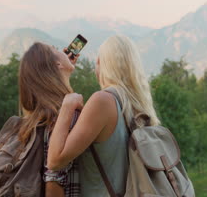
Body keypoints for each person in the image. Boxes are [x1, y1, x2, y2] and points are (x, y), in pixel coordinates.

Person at [47, 34, 161, 197]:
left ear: (102, 63)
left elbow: (55, 161)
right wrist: (64, 73)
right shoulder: (137, 104)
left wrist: (66, 106)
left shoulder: (102, 101)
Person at [17, 42, 80, 197]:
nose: (62, 50)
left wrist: (63, 73)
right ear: (57, 64)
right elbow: (54, 180)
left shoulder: (35, 118)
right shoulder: (64, 117)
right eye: (55, 49)